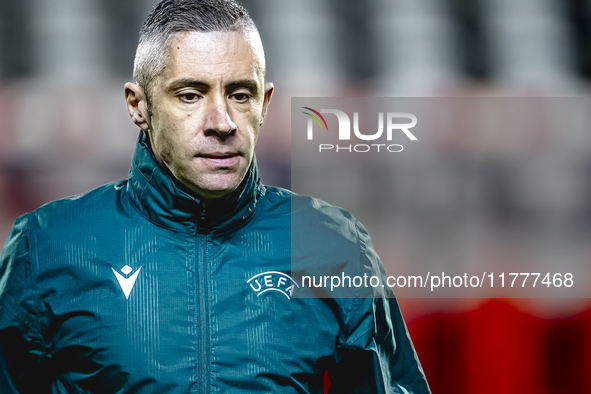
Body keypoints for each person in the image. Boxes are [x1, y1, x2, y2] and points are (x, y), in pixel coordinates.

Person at [0, 0, 431, 392]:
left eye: (240, 95)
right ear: (138, 106)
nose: (221, 122)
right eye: (190, 95)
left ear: (264, 104)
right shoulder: (49, 245)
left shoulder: (332, 244)